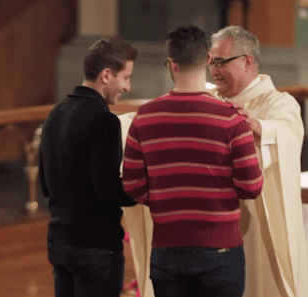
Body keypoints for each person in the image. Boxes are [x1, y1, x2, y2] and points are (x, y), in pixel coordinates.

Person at [122, 25, 264, 297]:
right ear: (208, 59)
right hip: (221, 251)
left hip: (167, 250)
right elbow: (251, 187)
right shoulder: (232, 119)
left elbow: (132, 185)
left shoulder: (145, 117)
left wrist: (169, 198)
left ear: (172, 64)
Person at [209, 25, 308, 297]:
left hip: (259, 223)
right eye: (210, 62)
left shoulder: (279, 103)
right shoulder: (209, 100)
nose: (214, 70)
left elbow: (289, 133)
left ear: (248, 61)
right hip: (215, 226)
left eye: (220, 62)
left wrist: (259, 127)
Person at [39, 37, 138, 297]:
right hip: (95, 249)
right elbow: (107, 191)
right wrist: (144, 190)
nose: (127, 87)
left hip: (59, 244)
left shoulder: (55, 113)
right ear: (107, 75)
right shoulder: (104, 120)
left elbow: (45, 186)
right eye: (125, 77)